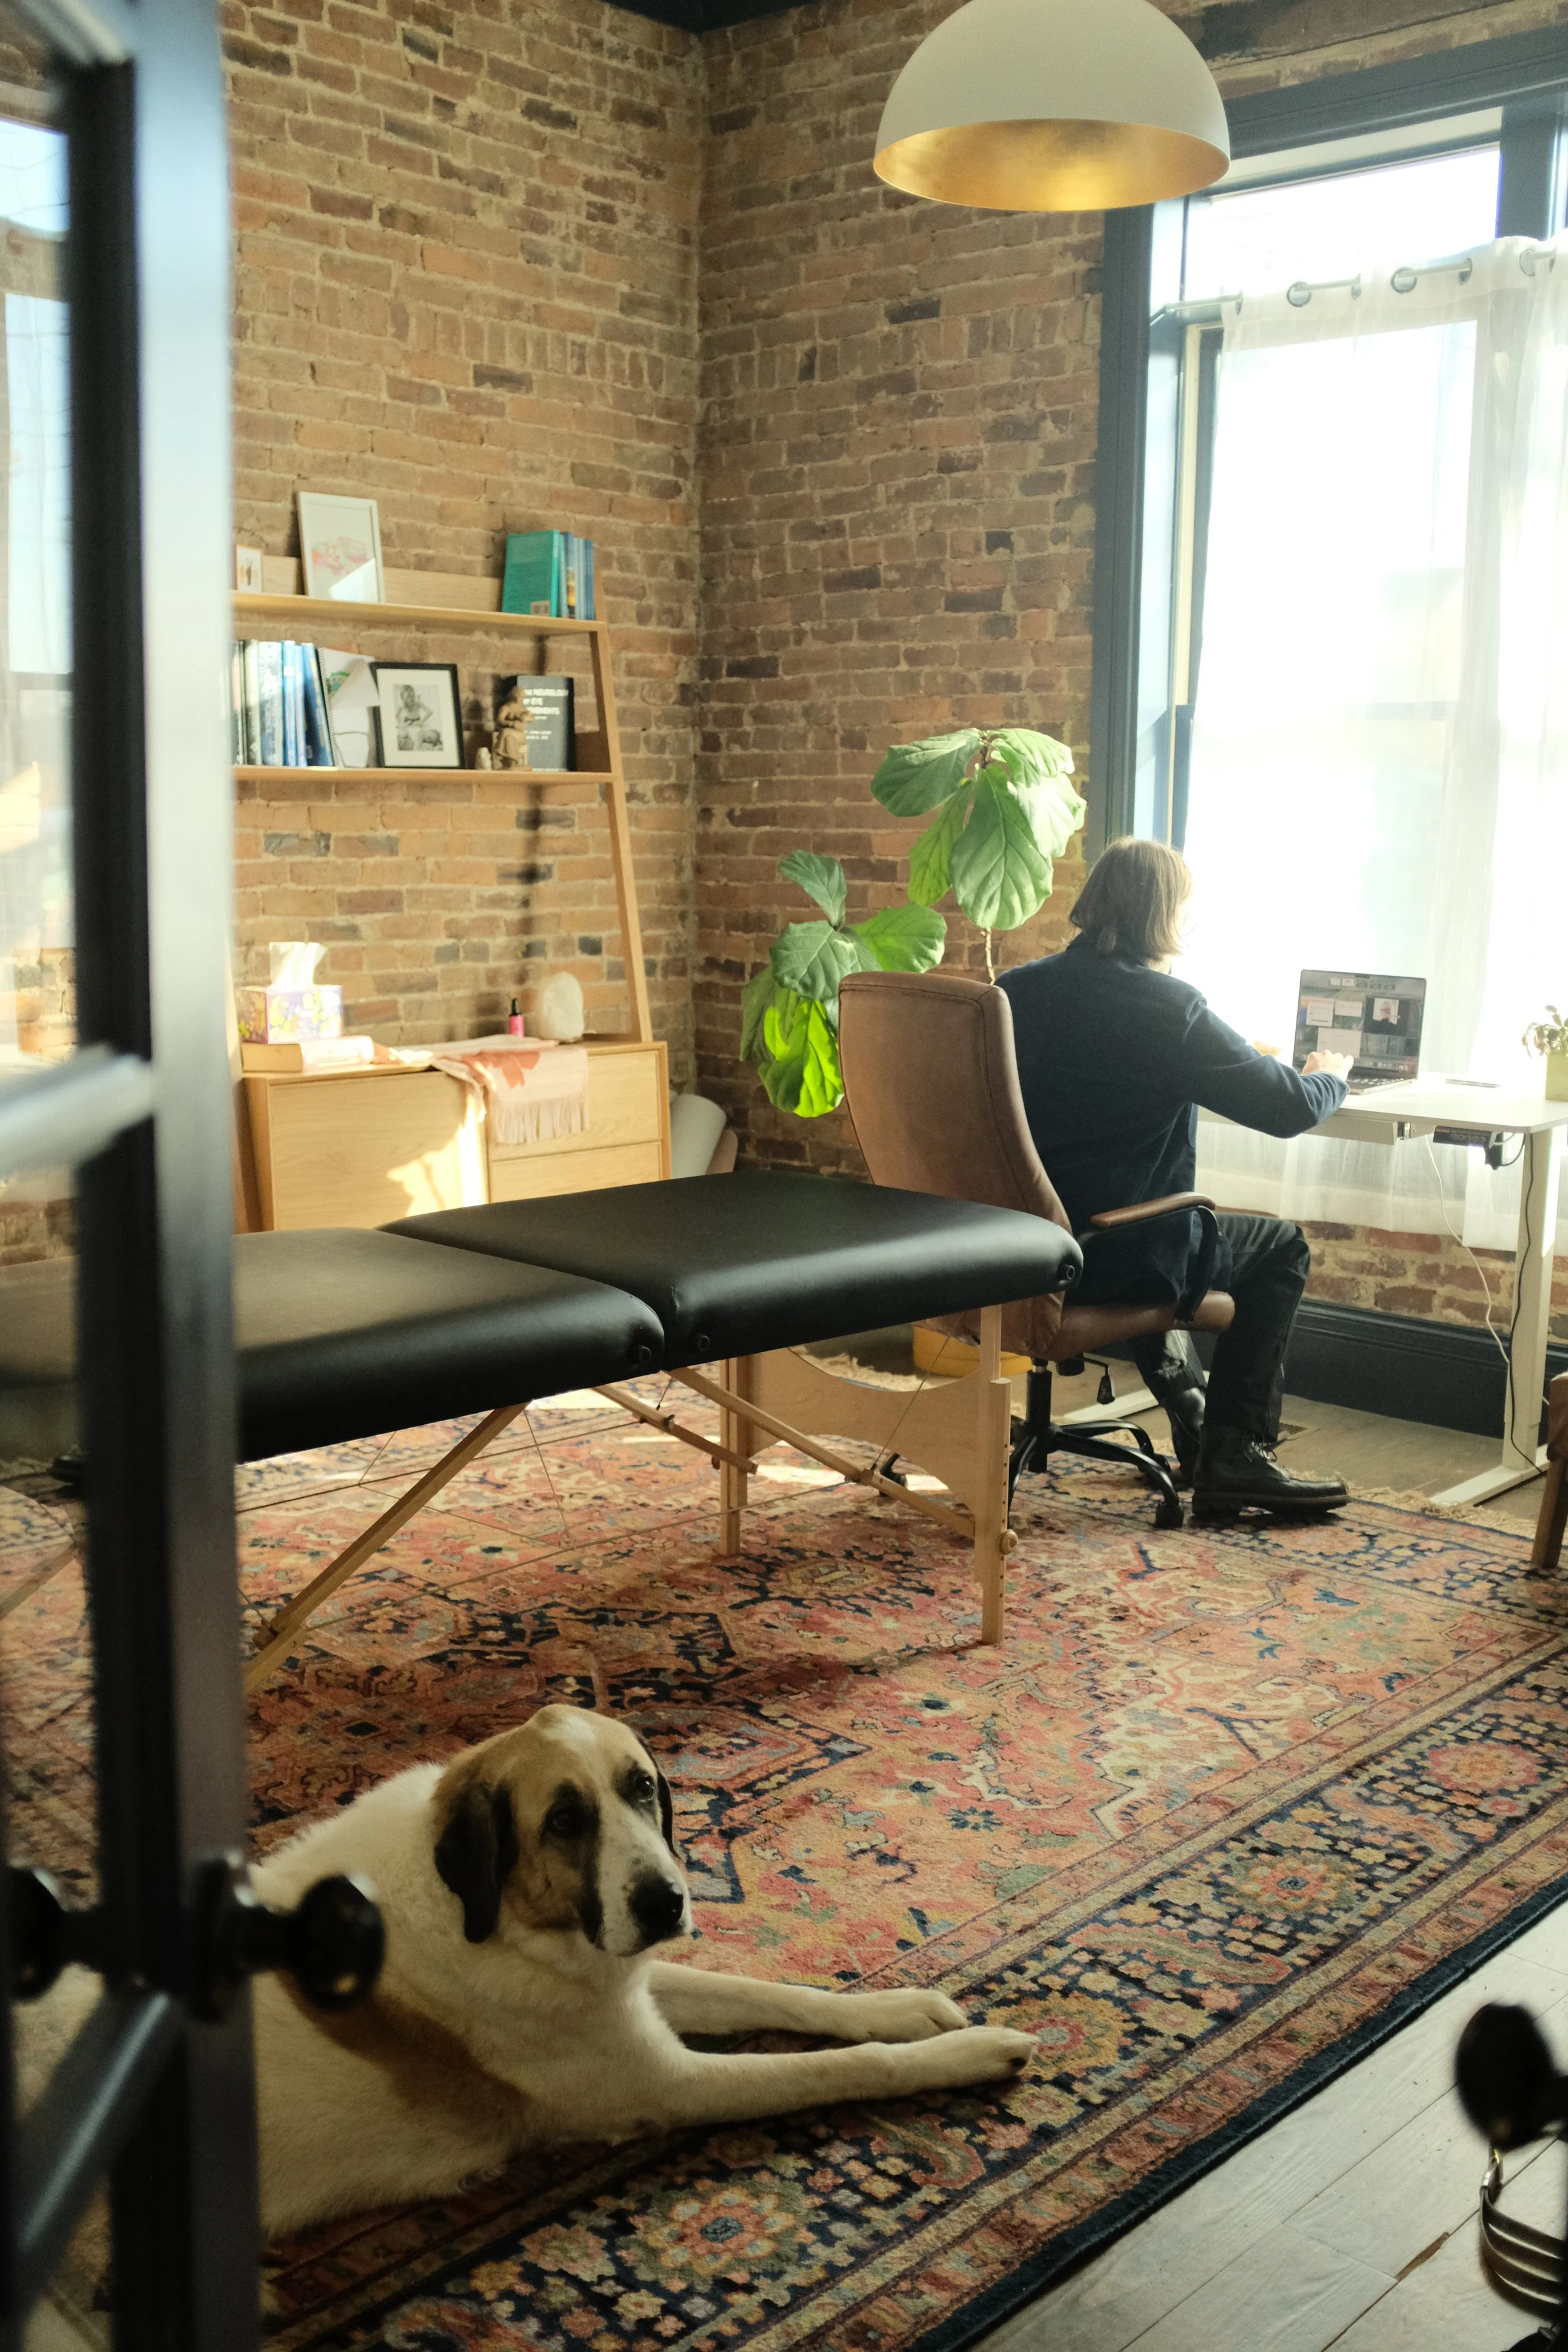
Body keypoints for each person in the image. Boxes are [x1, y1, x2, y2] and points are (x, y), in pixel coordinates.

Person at [997, 837, 1354, 1518]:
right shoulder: (1169, 1009)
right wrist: (1331, 1074)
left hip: (1014, 1246)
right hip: (1109, 1253)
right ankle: (1235, 1454)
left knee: (1162, 1230)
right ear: (1166, 917)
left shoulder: (1015, 990)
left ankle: (1199, 1433)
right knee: (1280, 1247)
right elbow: (1287, 1108)